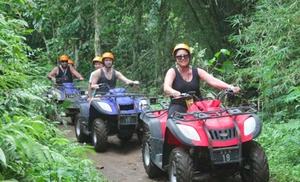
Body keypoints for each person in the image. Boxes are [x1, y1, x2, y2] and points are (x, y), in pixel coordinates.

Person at [164, 43, 240, 118]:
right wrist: (174, 92)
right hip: (179, 105)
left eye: (185, 55)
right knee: (173, 119)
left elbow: (213, 81)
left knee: (216, 118)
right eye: (179, 57)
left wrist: (230, 87)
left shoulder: (196, 71)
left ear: (189, 56)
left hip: (198, 105)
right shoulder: (172, 71)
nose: (183, 58)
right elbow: (166, 87)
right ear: (175, 58)